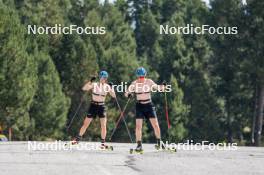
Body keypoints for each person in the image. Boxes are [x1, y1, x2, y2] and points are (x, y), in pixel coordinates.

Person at [125, 67, 166, 152]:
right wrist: (128, 94)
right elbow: (126, 92)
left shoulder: (149, 82)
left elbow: (157, 87)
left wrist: (163, 87)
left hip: (149, 105)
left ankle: (159, 142)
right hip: (140, 106)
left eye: (142, 76)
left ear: (145, 75)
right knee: (138, 127)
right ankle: (139, 145)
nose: (141, 78)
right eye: (140, 77)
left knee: (156, 125)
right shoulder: (134, 83)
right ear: (137, 76)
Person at [72, 70, 116, 148]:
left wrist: (111, 88)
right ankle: (77, 139)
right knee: (86, 123)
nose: (103, 79)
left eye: (105, 78)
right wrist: (90, 81)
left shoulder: (107, 86)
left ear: (106, 79)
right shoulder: (94, 85)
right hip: (93, 105)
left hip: (101, 106)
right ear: (100, 77)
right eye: (102, 77)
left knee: (103, 125)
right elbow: (84, 88)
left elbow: (113, 96)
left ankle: (103, 143)